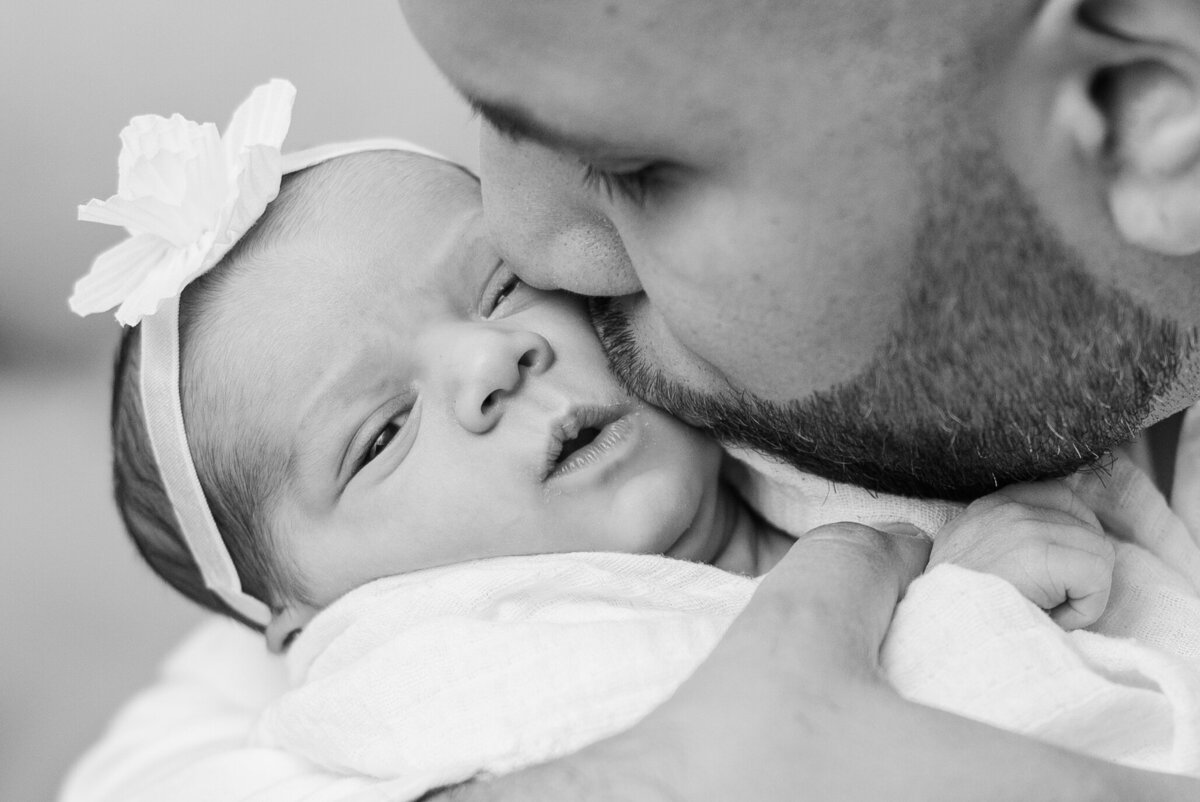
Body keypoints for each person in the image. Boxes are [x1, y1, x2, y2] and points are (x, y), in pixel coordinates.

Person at [64, 84, 1200, 801]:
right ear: (308, 616)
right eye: (382, 433)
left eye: (500, 285)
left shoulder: (756, 410)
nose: (489, 361)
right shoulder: (433, 669)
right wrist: (969, 619)